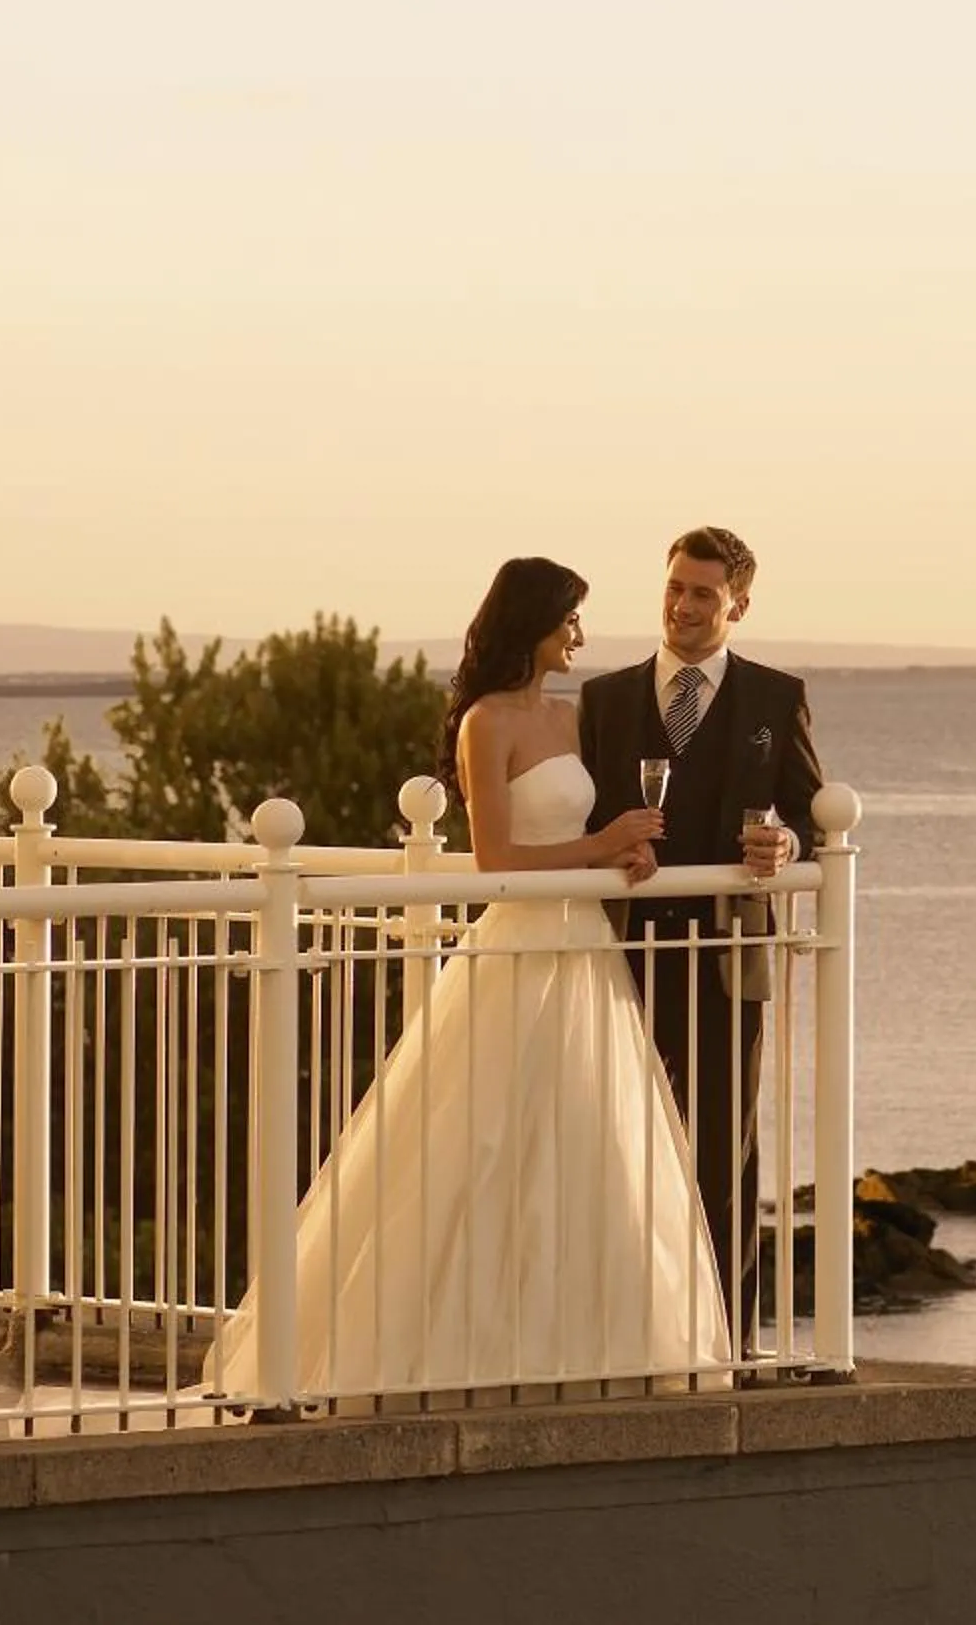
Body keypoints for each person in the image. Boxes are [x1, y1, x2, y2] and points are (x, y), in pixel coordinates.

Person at [207, 557, 730, 1402]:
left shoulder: (574, 715)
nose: (581, 638)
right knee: (485, 1145)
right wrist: (599, 847)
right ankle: (462, 1355)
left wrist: (623, 851)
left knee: (593, 1145)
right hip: (520, 947)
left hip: (586, 949)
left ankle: (587, 1347)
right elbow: (496, 861)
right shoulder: (487, 724)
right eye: (571, 623)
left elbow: (583, 827)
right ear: (536, 624)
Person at [577, 526, 823, 1344]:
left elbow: (811, 821)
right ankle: (619, 1326)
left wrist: (785, 844)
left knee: (724, 1153)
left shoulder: (775, 697)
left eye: (704, 594)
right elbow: (583, 821)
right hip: (620, 955)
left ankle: (727, 1337)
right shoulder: (605, 700)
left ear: (738, 605)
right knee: (610, 1145)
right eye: (675, 587)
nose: (683, 606)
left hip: (728, 958)